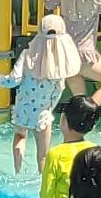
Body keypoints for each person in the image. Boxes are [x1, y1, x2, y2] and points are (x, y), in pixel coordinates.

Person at [8, 13, 87, 171]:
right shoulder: (59, 65)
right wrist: (49, 106)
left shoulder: (27, 55)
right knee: (43, 155)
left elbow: (14, 79)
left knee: (20, 136)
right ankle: (42, 177)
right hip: (43, 113)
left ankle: (17, 169)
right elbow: (59, 89)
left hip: (23, 108)